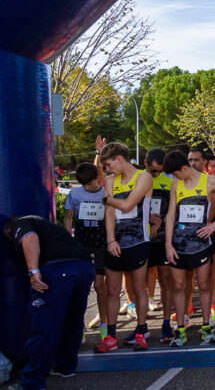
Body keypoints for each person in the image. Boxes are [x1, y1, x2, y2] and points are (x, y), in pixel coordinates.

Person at [4, 215, 94, 389]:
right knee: (72, 321)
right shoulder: (48, 226)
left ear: (9, 230)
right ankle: (65, 366)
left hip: (58, 270)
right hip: (84, 267)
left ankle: (32, 382)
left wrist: (33, 271)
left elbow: (29, 238)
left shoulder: (19, 224)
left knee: (44, 326)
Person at [163, 150, 215, 346]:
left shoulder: (210, 181)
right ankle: (180, 328)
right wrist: (168, 244)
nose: (174, 178)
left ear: (183, 168)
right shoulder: (176, 184)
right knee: (179, 286)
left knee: (205, 285)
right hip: (179, 243)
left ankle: (206, 326)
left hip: (201, 243)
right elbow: (171, 215)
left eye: (175, 174)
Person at [95, 142, 153, 353]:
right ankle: (110, 336)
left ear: (120, 158)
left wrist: (108, 200)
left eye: (109, 165)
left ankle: (141, 331)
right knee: (112, 289)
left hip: (138, 240)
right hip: (115, 243)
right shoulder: (111, 181)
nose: (107, 170)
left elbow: (128, 204)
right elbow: (110, 212)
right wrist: (111, 240)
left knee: (139, 289)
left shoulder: (144, 177)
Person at [63, 163, 108, 341]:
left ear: (97, 178)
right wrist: (68, 241)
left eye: (89, 184)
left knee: (99, 285)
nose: (87, 187)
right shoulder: (75, 194)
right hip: (81, 241)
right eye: (84, 185)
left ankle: (104, 325)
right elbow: (68, 218)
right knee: (81, 287)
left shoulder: (105, 192)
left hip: (100, 240)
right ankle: (79, 326)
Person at [143, 149, 177, 342]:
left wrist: (160, 221)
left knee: (166, 281)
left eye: (160, 170)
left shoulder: (170, 181)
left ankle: (166, 323)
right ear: (145, 163)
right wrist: (147, 218)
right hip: (142, 238)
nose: (156, 174)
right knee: (140, 283)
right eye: (154, 170)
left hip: (163, 237)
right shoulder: (138, 179)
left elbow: (175, 209)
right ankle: (141, 326)